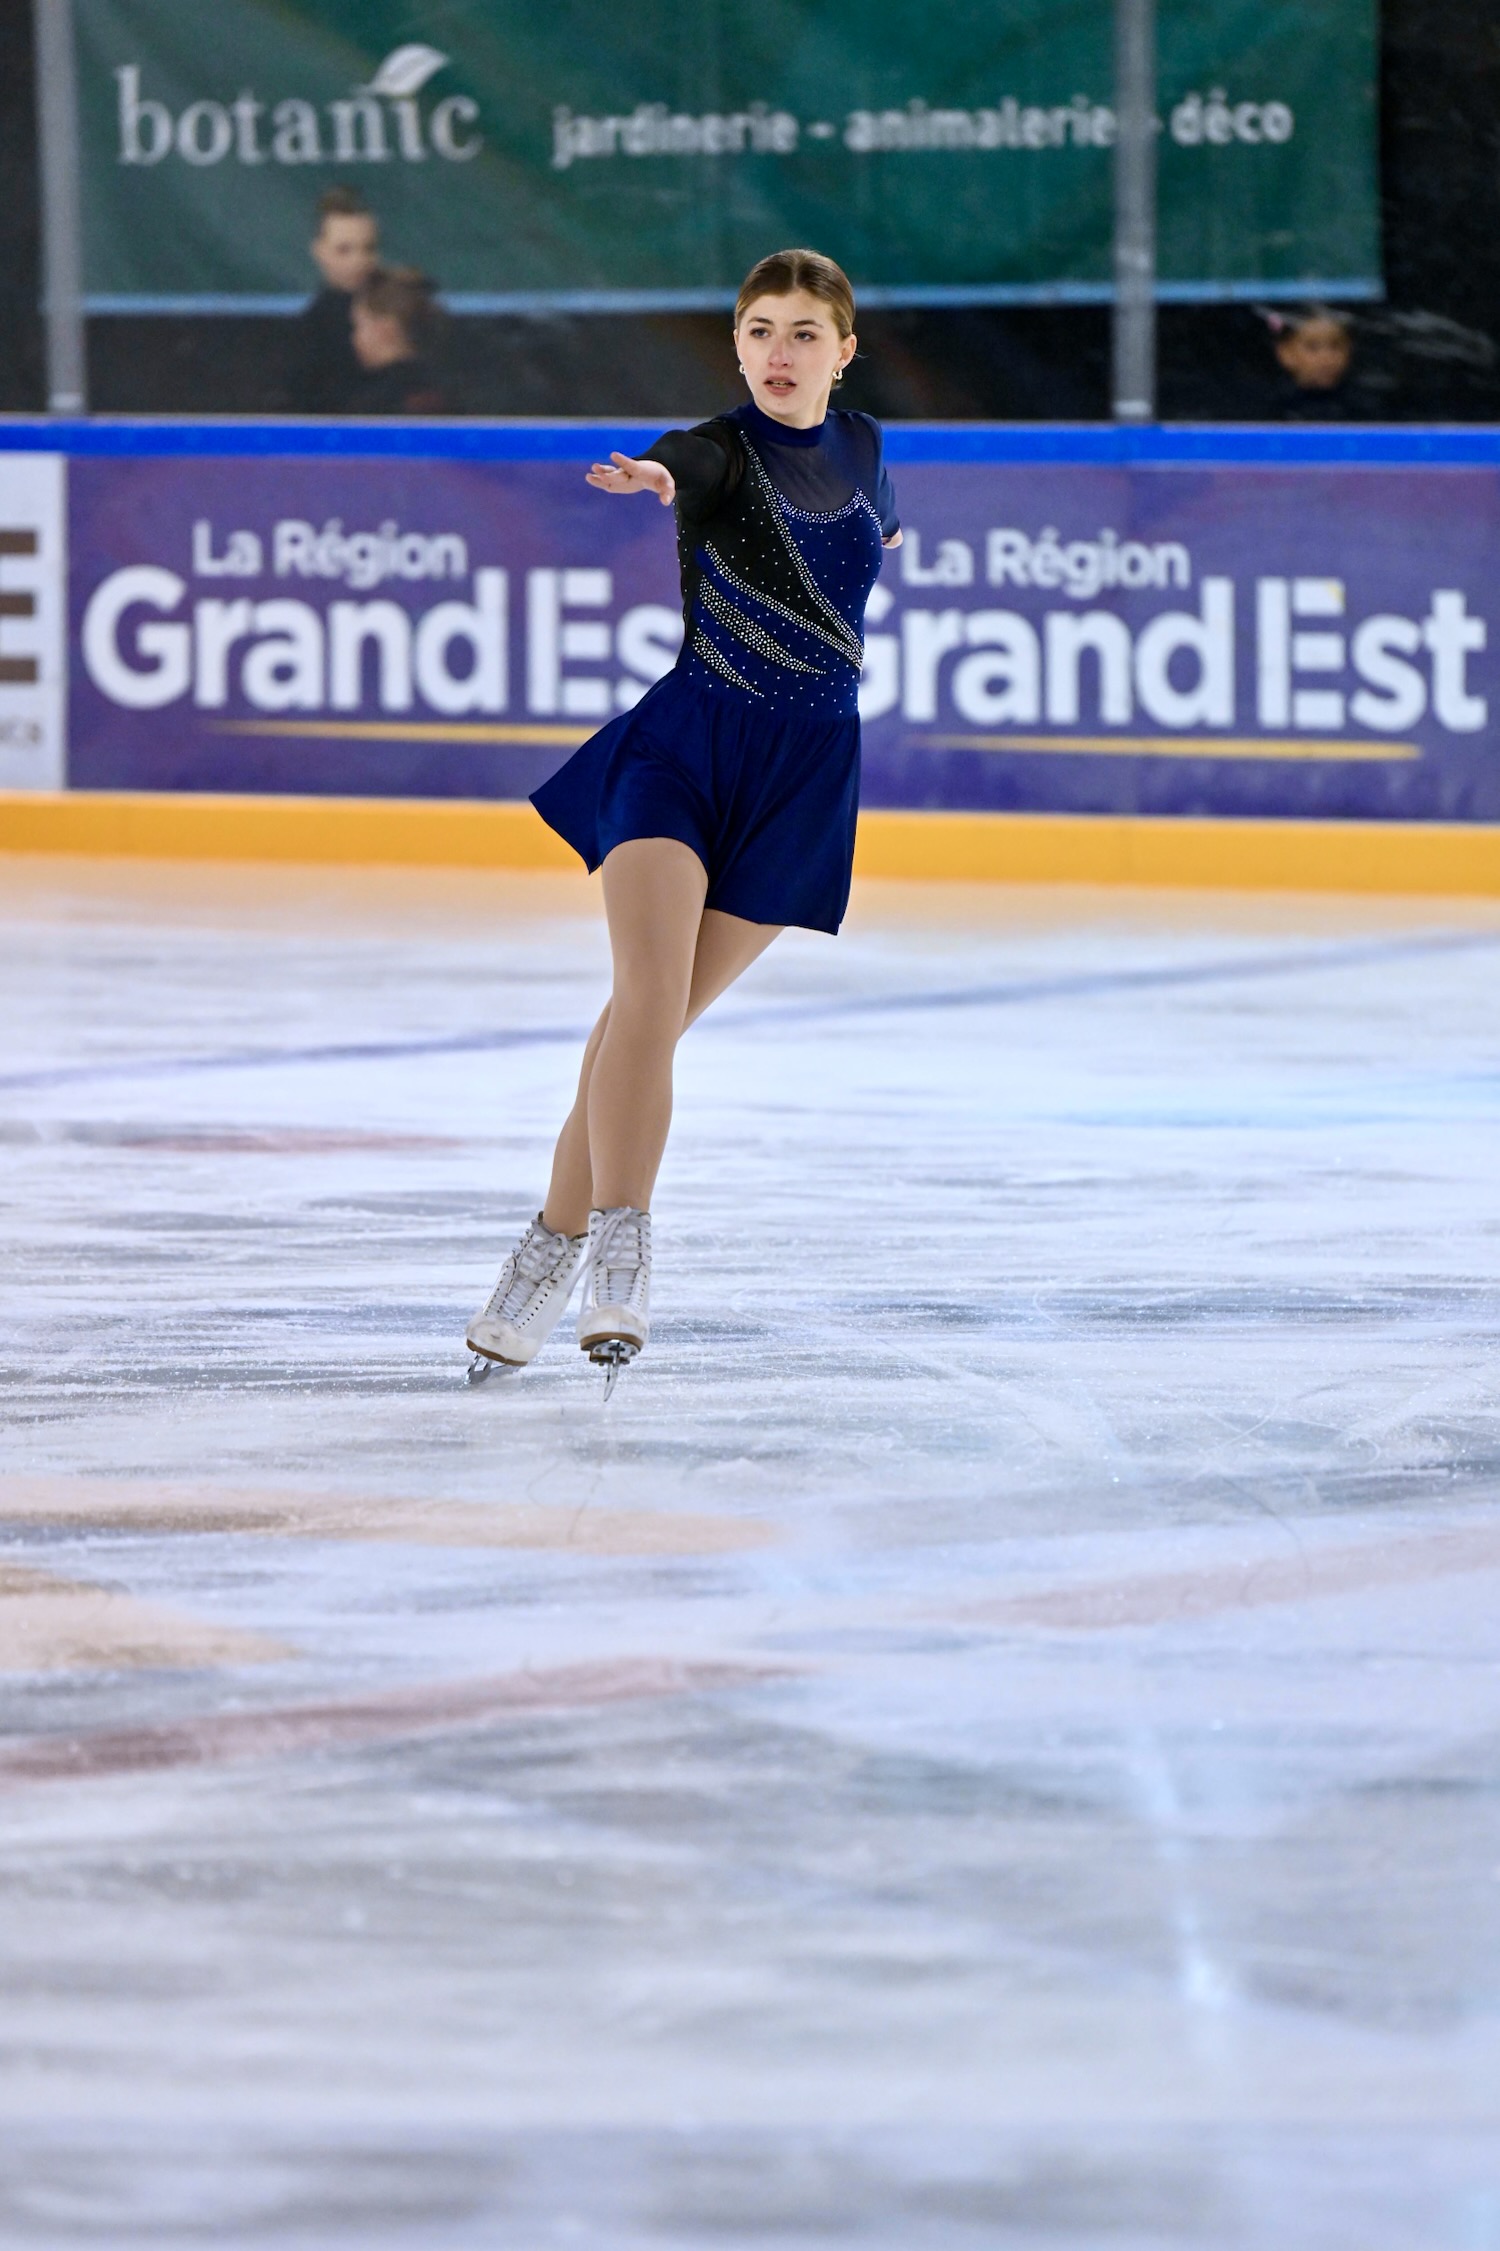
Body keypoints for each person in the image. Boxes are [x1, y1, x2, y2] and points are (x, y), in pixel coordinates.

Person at [464, 246, 902, 1394]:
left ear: (844, 352)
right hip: (683, 753)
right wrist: (658, 477)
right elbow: (683, 461)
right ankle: (619, 1252)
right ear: (738, 347)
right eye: (759, 331)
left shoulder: (865, 449)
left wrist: (893, 536)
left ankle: (542, 1251)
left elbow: (881, 520)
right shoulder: (716, 450)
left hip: (802, 780)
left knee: (641, 1026)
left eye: (803, 333)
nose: (778, 353)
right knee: (648, 998)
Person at [284, 187, 379, 415]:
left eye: (368, 248)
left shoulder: (399, 320)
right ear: (320, 251)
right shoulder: (309, 333)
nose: (359, 261)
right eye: (344, 250)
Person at [347, 266, 447, 415]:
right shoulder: (447, 389)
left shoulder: (373, 405)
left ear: (385, 329)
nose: (354, 338)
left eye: (359, 326)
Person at [1263, 305, 1369, 421]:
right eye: (1312, 347)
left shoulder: (1364, 406)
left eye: (1335, 346)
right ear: (1286, 353)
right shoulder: (1268, 407)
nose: (1326, 358)